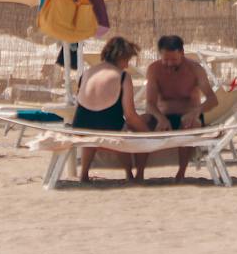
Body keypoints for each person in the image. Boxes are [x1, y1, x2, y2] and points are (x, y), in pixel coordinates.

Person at [144, 34, 220, 180]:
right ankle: (139, 173)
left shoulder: (195, 69)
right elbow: (150, 103)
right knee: (140, 121)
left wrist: (196, 112)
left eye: (174, 59)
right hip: (163, 115)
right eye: (165, 59)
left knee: (189, 125)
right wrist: (160, 118)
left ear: (182, 53)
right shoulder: (154, 69)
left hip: (189, 115)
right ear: (160, 55)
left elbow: (212, 99)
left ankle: (181, 172)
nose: (170, 63)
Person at [74, 36, 148, 182]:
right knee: (128, 131)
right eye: (127, 60)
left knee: (92, 130)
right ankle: (132, 175)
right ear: (121, 57)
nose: (127, 65)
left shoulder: (87, 73)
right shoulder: (122, 76)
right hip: (109, 128)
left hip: (80, 127)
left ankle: (84, 174)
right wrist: (147, 131)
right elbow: (130, 115)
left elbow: (81, 102)